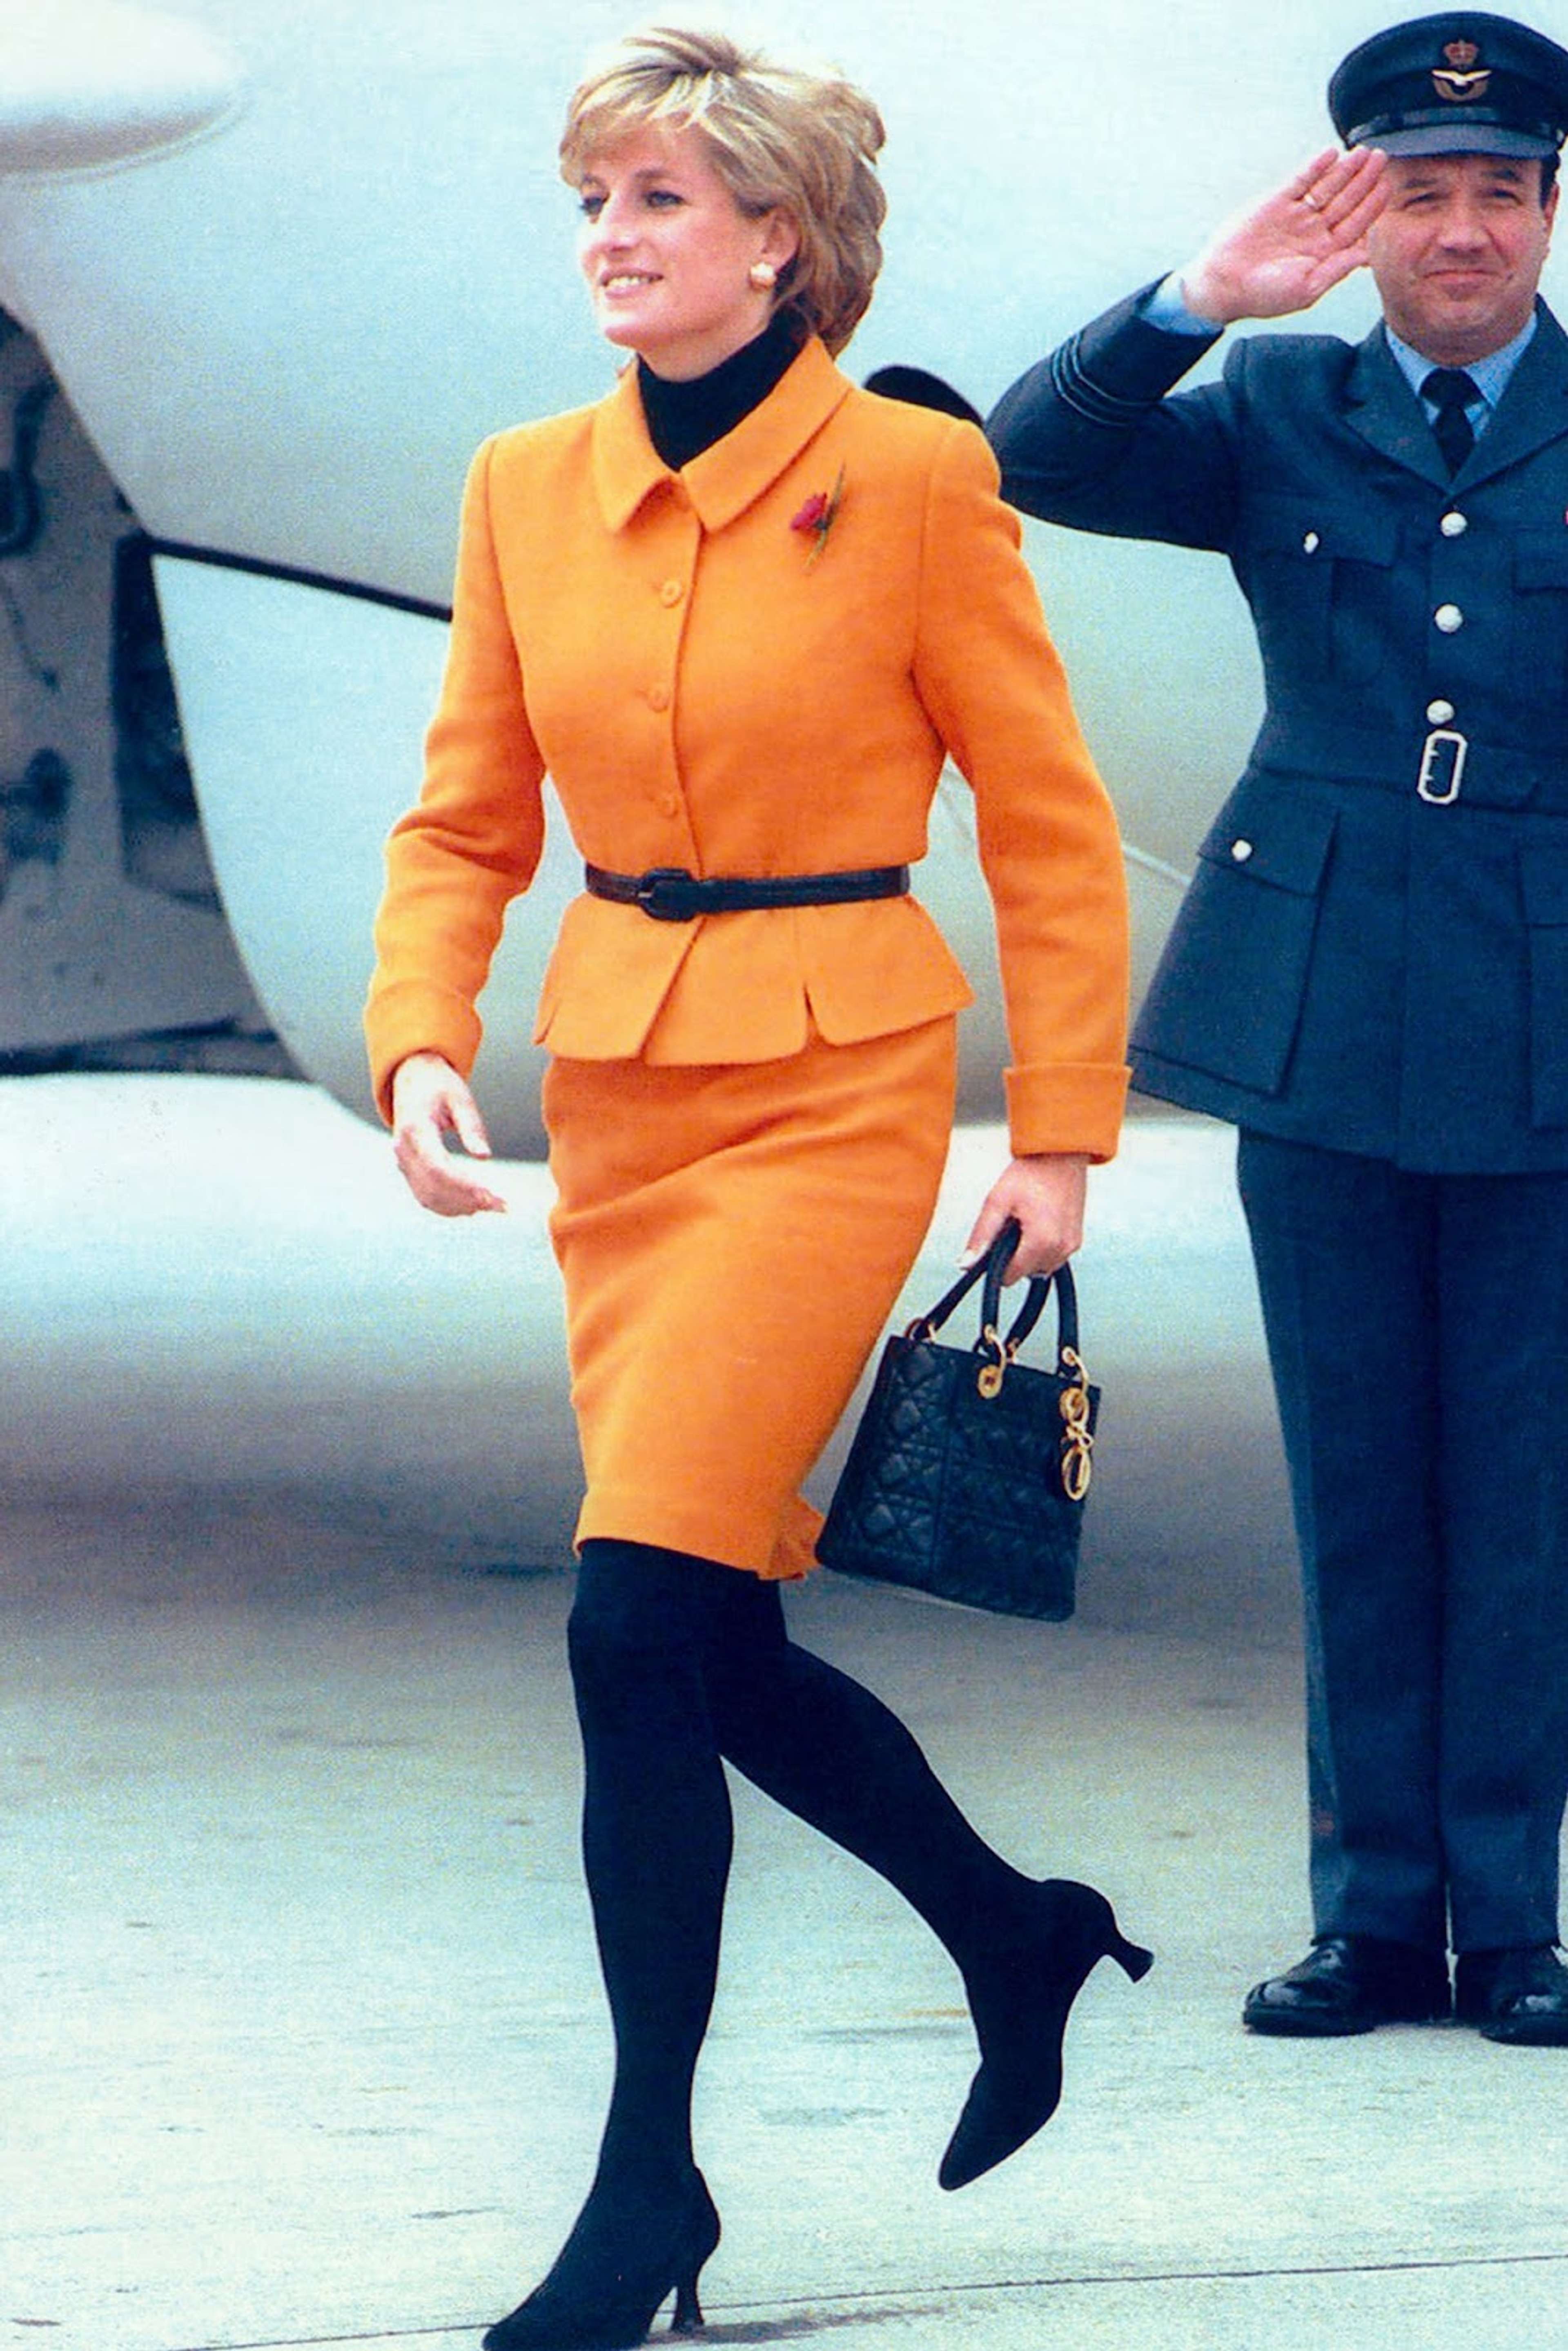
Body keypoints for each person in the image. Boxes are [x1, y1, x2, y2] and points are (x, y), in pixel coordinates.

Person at [365, 28, 1145, 2351]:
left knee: (628, 1623)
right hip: (618, 1083)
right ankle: (1014, 1932)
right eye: (594, 203)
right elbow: (463, 813)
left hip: (834, 1080)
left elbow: (1045, 813)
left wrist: (1066, 1137)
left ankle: (645, 2194)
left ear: (781, 239)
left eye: (662, 203)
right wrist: (420, 1029)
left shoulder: (911, 474)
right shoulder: (523, 484)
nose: (613, 240)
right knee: (698, 1631)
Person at [989, 8, 1568, 2048]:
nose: (1468, 228)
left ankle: (1513, 1923)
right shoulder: (1278, 400)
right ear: (1366, 216)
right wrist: (1197, 297)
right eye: (1426, 194)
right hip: (1316, 996)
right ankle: (1372, 1920)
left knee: (1525, 1483)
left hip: (1546, 1003)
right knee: (1358, 1474)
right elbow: (1024, 455)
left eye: (1504, 191)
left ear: (1551, 209)